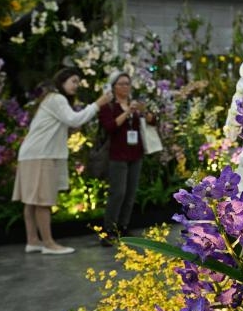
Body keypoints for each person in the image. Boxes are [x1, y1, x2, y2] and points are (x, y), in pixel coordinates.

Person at [13, 68, 112, 255]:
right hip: (41, 155)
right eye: (74, 81)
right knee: (42, 201)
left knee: (31, 201)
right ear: (63, 81)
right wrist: (98, 104)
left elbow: (65, 124)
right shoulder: (56, 98)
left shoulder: (51, 99)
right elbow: (75, 120)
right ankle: (49, 244)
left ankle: (33, 241)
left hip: (31, 155)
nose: (76, 85)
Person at [98, 71, 152, 244]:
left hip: (135, 153)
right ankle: (109, 229)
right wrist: (127, 112)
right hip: (117, 155)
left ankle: (123, 226)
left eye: (127, 84)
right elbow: (110, 127)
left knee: (130, 193)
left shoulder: (135, 105)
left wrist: (145, 112)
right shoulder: (109, 107)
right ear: (113, 87)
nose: (125, 87)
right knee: (118, 192)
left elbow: (153, 121)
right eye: (121, 84)